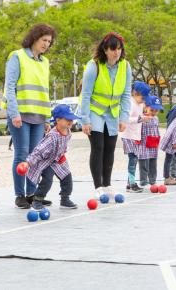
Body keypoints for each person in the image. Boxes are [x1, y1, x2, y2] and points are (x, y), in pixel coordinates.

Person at [1, 24, 57, 209]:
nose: (46, 44)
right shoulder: (17, 56)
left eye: (49, 42)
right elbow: (9, 87)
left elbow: (45, 92)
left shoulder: (45, 62)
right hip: (20, 116)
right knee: (22, 155)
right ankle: (19, 195)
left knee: (35, 157)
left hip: (39, 117)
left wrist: (48, 118)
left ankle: (32, 194)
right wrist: (14, 113)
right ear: (34, 38)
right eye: (44, 40)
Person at [80, 31, 131, 198]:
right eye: (113, 49)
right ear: (105, 50)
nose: (116, 53)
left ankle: (107, 183)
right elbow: (85, 94)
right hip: (95, 112)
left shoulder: (125, 66)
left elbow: (126, 93)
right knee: (98, 147)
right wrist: (85, 120)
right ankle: (98, 186)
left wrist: (124, 117)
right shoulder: (93, 65)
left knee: (110, 148)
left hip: (113, 113)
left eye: (119, 49)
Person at [18, 104, 79, 210]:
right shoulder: (52, 137)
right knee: (47, 180)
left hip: (58, 160)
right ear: (58, 120)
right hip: (47, 161)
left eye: (71, 119)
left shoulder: (68, 132)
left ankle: (65, 199)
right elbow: (39, 150)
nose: (70, 121)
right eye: (67, 119)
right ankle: (37, 200)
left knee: (67, 177)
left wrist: (62, 154)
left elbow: (63, 146)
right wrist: (27, 162)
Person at [120, 81, 150, 193]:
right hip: (128, 135)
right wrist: (140, 118)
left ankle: (130, 182)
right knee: (132, 158)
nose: (144, 100)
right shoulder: (130, 104)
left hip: (136, 135)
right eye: (143, 97)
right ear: (135, 94)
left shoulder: (140, 104)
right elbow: (125, 119)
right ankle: (131, 183)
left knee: (134, 158)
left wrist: (144, 116)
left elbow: (139, 116)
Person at [137, 95, 163, 187]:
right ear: (145, 107)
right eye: (152, 110)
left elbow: (156, 130)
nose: (154, 113)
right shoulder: (142, 118)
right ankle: (143, 180)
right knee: (144, 162)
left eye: (156, 111)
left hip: (153, 143)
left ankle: (152, 180)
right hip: (143, 144)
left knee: (153, 162)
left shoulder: (156, 119)